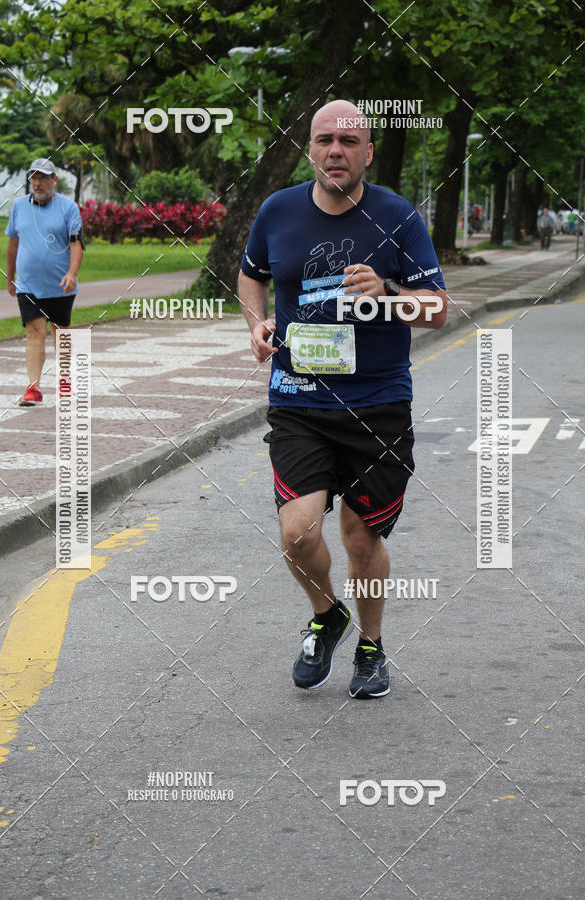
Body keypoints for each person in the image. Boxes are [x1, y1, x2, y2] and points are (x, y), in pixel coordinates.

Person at [238, 100, 446, 699]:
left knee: (360, 534)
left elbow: (436, 309)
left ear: (368, 153)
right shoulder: (278, 210)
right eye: (325, 139)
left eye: (349, 141)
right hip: (299, 398)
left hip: (377, 404)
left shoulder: (398, 217)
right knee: (298, 533)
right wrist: (256, 323)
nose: (336, 150)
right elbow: (251, 275)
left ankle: (371, 646)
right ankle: (328, 614)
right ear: (310, 149)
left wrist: (388, 292)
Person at [6, 158, 84, 406]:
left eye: (42, 178)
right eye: (34, 178)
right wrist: (10, 277)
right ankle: (33, 387)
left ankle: (65, 381)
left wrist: (72, 273)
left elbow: (76, 244)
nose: (37, 183)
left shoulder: (68, 208)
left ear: (54, 180)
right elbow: (13, 243)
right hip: (28, 284)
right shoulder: (19, 207)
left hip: (61, 285)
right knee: (34, 332)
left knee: (60, 332)